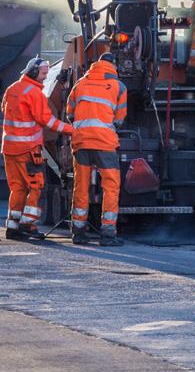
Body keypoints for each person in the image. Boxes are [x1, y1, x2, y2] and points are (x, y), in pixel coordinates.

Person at [1, 56, 73, 240]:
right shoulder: (35, 93)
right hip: (28, 149)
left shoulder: (12, 89)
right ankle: (28, 225)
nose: (45, 77)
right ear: (33, 72)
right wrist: (71, 129)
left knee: (17, 188)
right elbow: (47, 121)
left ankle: (12, 227)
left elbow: (5, 110)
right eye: (43, 74)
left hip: (9, 148)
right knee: (36, 186)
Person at [66, 52, 127, 246]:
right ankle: (108, 234)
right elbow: (119, 120)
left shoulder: (80, 84)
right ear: (113, 65)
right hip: (104, 144)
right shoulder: (119, 86)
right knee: (110, 187)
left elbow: (69, 114)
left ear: (96, 64)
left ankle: (79, 233)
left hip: (81, 143)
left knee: (81, 187)